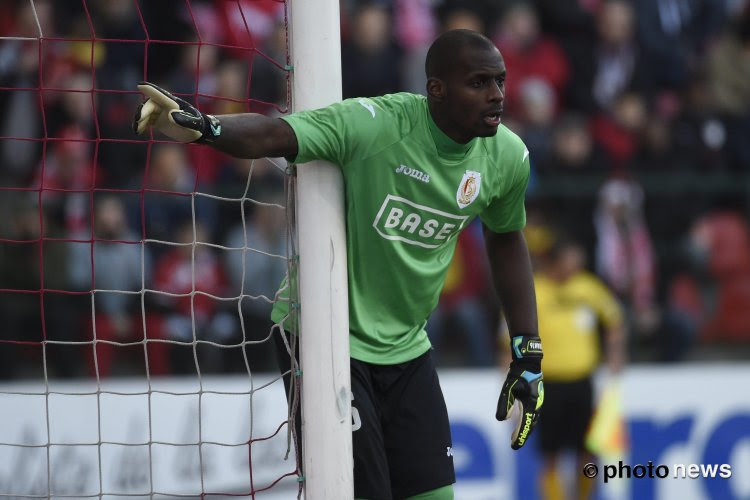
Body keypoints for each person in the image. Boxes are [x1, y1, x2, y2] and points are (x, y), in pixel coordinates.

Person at [133, 29, 543, 500]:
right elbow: (278, 133)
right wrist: (207, 128)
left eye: (500, 82)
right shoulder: (378, 124)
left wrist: (526, 348)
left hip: (406, 347)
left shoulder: (508, 156)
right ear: (437, 89)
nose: (496, 96)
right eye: (479, 83)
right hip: (322, 339)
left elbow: (507, 235)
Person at [502, 234, 625, 500]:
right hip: (548, 385)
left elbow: (614, 319)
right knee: (550, 454)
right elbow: (508, 341)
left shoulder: (588, 287)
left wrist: (615, 357)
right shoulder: (534, 291)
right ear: (555, 262)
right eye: (570, 261)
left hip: (583, 382)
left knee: (588, 451)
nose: (575, 267)